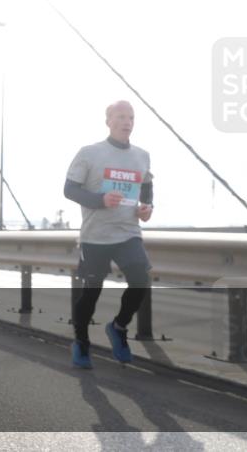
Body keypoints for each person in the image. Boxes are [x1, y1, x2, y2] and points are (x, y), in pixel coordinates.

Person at [64, 100, 154, 369]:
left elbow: (147, 185)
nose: (127, 122)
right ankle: (81, 342)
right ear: (108, 121)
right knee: (92, 293)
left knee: (140, 281)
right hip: (96, 235)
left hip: (128, 232)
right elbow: (70, 190)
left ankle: (118, 327)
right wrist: (101, 200)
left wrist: (147, 207)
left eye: (131, 117)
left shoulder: (142, 155)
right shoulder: (89, 153)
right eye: (120, 117)